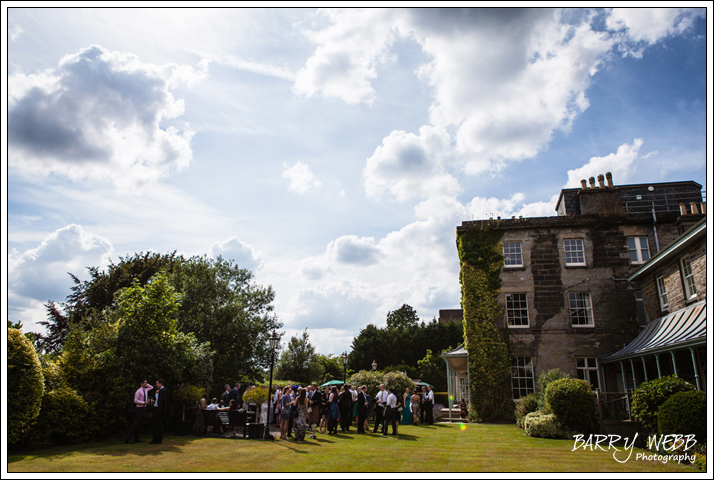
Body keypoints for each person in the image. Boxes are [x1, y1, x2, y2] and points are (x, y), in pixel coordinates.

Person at [125, 379, 153, 444]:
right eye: (144, 383)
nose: (146, 384)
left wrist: (146, 383)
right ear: (141, 383)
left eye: (146, 383)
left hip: (144, 409)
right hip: (139, 409)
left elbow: (151, 387)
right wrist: (143, 402)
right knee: (135, 424)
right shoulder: (138, 391)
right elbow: (135, 400)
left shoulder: (145, 390)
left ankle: (136, 438)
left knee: (140, 424)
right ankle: (128, 438)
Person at [150, 379, 168, 444]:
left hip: (159, 409)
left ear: (160, 384)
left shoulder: (164, 390)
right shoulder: (158, 391)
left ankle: (159, 439)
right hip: (156, 407)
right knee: (153, 423)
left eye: (157, 383)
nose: (156, 385)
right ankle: (154, 438)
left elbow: (163, 401)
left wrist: (162, 409)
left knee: (158, 424)